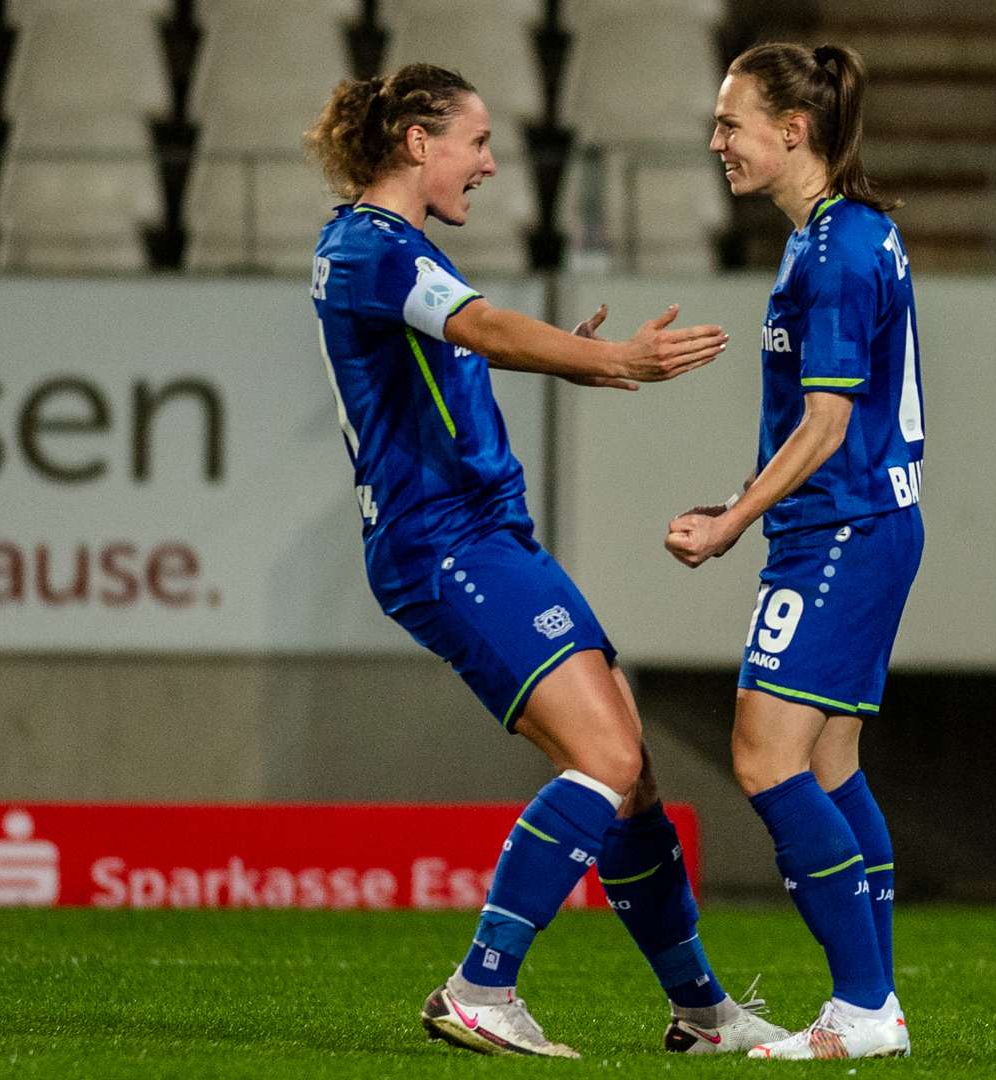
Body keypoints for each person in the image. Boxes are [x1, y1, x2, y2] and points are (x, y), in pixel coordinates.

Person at [303, 63, 787, 1058]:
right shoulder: (370, 245)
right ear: (418, 142)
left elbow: (460, 345)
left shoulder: (387, 248)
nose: (488, 165)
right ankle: (481, 988)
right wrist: (612, 360)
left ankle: (702, 1014)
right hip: (446, 541)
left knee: (630, 773)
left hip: (484, 533)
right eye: (476, 142)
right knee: (605, 759)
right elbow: (480, 326)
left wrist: (568, 352)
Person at [665, 42, 923, 1061]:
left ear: (793, 129)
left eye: (731, 122)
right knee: (829, 762)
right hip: (856, 523)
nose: (716, 141)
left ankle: (864, 1007)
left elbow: (825, 424)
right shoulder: (835, 234)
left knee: (763, 756)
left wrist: (731, 522)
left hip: (843, 528)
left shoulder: (836, 250)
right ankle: (875, 1007)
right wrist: (746, 502)